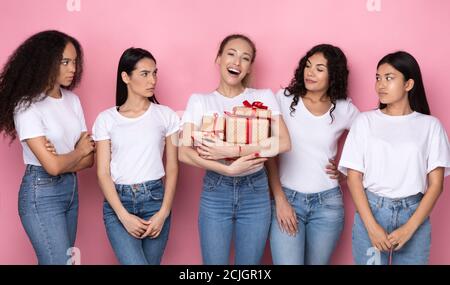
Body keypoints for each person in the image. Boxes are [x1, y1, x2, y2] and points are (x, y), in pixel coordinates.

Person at [179, 34, 291, 265]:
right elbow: (184, 152)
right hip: (216, 190)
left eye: (245, 58)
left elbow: (283, 143)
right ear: (218, 58)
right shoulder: (200, 101)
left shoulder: (263, 97)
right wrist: (226, 169)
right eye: (231, 54)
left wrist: (231, 149)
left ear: (249, 67)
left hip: (256, 191)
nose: (236, 62)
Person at [339, 51, 450, 265]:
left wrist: (409, 229)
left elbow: (436, 185)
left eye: (389, 78)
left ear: (409, 84)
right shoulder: (365, 121)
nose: (380, 84)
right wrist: (372, 227)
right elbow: (354, 178)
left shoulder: (430, 126)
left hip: (414, 215)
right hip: (371, 211)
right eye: (378, 78)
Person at [0, 30, 95, 264]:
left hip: (71, 190)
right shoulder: (27, 105)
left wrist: (68, 157)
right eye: (65, 62)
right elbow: (52, 166)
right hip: (41, 192)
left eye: (74, 62)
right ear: (45, 62)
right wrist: (78, 152)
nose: (72, 68)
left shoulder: (73, 100)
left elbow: (89, 159)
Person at [267, 44, 359, 264]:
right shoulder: (283, 98)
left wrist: (345, 173)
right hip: (288, 198)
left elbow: (370, 142)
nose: (310, 72)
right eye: (308, 66)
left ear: (333, 74)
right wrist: (280, 199)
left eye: (319, 68)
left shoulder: (344, 109)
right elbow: (270, 153)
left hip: (328, 205)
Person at [93, 48, 179, 265]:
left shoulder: (166, 116)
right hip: (118, 203)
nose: (153, 80)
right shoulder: (106, 119)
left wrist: (163, 212)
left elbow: (172, 167)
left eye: (154, 73)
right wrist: (123, 215)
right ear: (125, 77)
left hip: (155, 201)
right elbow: (102, 173)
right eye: (144, 74)